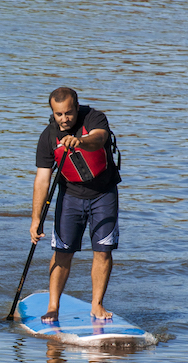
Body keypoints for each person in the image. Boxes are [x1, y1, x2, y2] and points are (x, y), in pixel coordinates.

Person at [30, 87, 121, 322]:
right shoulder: (48, 137)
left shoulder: (93, 118)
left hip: (103, 194)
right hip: (70, 197)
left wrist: (80, 141)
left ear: (76, 106)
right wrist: (36, 218)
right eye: (58, 114)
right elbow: (42, 179)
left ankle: (97, 305)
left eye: (68, 113)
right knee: (62, 252)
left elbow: (99, 138)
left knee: (103, 251)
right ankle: (53, 307)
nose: (64, 119)